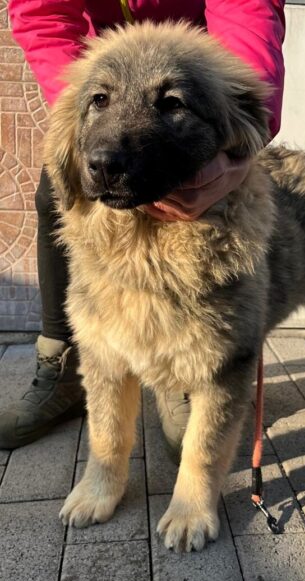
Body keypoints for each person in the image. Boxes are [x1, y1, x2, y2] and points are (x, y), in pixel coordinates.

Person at [0, 0, 285, 457]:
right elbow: (43, 13)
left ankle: (177, 370)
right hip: (94, 58)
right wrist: (79, 99)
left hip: (195, 64)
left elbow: (246, 6)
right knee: (55, 195)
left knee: (197, 211)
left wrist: (244, 137)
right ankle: (64, 360)